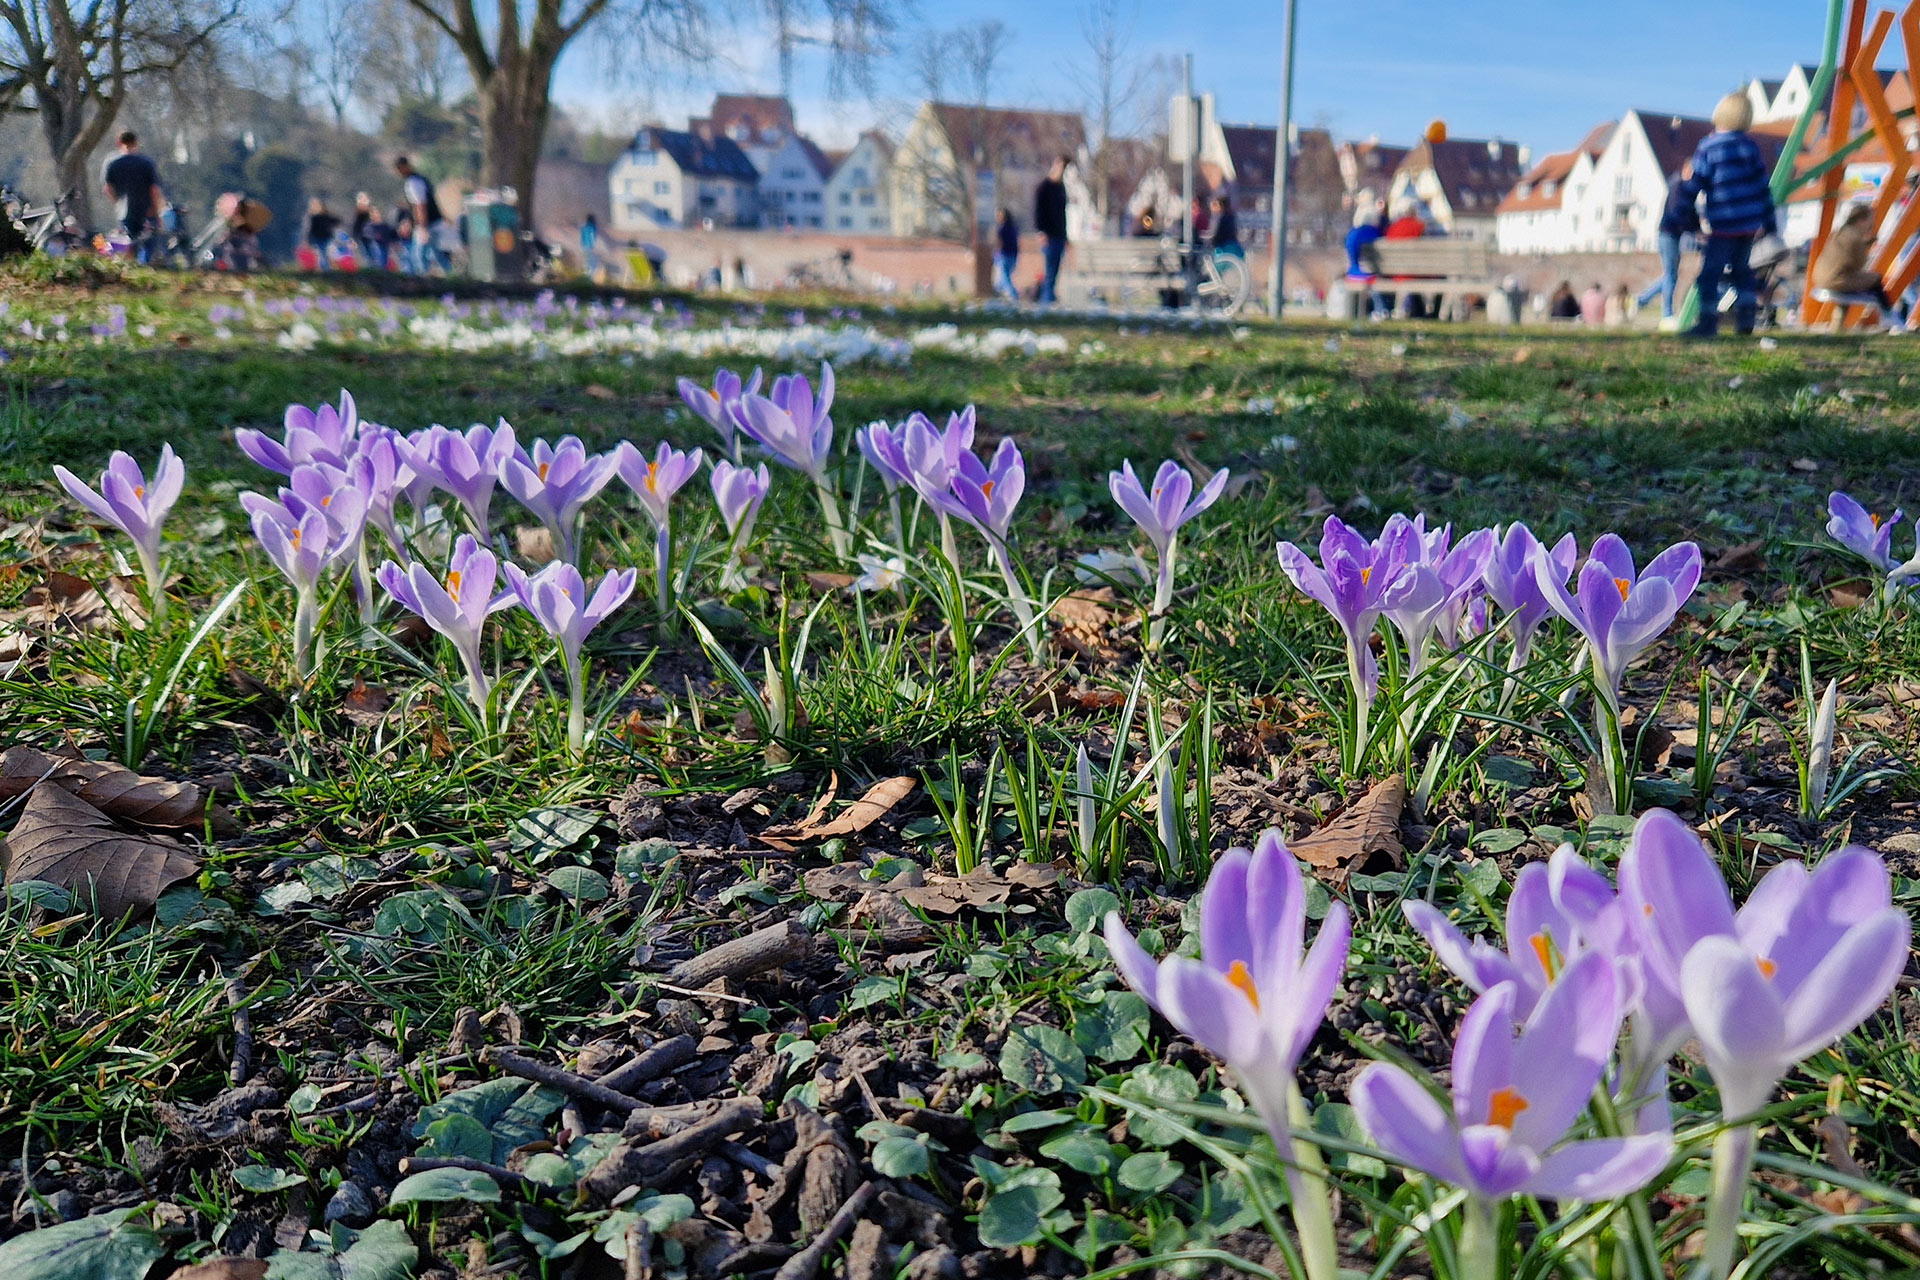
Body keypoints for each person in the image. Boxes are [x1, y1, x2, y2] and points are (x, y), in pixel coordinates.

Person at [1681, 92, 1777, 338]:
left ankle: (1707, 324)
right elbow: (1762, 186)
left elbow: (1698, 180)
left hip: (1724, 220)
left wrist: (1684, 206)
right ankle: (1746, 321)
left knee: (1710, 274)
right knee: (1742, 272)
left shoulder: (1709, 145)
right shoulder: (1750, 147)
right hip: (1749, 222)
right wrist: (1769, 221)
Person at [1637, 163, 1700, 323]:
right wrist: (1693, 229)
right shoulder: (1677, 186)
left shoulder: (1686, 189)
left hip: (1673, 235)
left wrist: (1697, 229)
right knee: (1671, 275)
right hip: (1668, 234)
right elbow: (1677, 213)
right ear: (1687, 169)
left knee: (1670, 275)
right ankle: (1667, 314)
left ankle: (1641, 300)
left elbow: (1690, 213)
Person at [1813, 201, 1896, 318]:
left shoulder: (1841, 232)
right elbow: (1859, 265)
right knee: (1876, 280)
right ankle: (1890, 317)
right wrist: (1866, 244)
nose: (1871, 226)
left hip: (1820, 277)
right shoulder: (1855, 237)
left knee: (1856, 281)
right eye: (1870, 223)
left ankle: (1839, 324)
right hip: (1835, 280)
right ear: (1861, 221)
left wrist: (1865, 244)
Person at [102, 131, 162, 265]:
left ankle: (130, 269)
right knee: (148, 242)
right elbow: (154, 190)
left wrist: (117, 203)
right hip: (147, 210)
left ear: (119, 143)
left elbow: (107, 189)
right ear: (136, 143)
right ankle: (144, 267)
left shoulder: (113, 163)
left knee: (128, 243)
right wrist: (157, 212)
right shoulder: (146, 163)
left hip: (125, 212)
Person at [394, 156, 449, 274]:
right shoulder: (420, 179)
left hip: (427, 225)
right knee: (437, 254)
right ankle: (451, 277)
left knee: (419, 256)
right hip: (433, 223)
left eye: (399, 169)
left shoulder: (413, 182)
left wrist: (422, 228)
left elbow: (421, 205)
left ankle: (423, 281)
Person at [1034, 155, 1069, 304]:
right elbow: (1038, 211)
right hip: (1048, 235)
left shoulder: (1061, 188)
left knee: (1055, 271)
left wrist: (1066, 236)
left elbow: (1063, 214)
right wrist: (1041, 231)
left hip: (1059, 235)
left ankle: (1049, 297)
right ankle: (1046, 300)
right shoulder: (1044, 187)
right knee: (1049, 270)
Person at [993, 207, 1020, 302]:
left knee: (1004, 277)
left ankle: (1014, 294)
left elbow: (999, 243)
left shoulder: (1002, 229)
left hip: (1004, 255)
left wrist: (995, 254)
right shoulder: (1014, 228)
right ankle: (997, 293)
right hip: (1013, 255)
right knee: (1002, 278)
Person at [306, 198, 340, 269]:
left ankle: (326, 268)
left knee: (326, 252)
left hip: (326, 237)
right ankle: (325, 268)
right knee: (321, 253)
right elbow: (311, 229)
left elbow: (336, 220)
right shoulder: (314, 217)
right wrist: (309, 238)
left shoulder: (326, 215)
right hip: (318, 238)